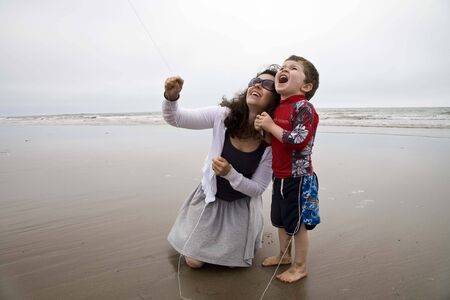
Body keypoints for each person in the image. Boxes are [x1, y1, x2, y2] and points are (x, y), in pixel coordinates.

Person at [163, 66, 280, 268]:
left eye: (267, 84)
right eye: (255, 80)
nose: (258, 85)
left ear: (276, 99)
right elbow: (176, 118)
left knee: (233, 262)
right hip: (210, 199)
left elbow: (258, 189)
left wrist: (230, 174)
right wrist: (171, 97)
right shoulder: (223, 115)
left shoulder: (271, 141)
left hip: (239, 207)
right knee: (193, 262)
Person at [254, 55, 320, 283]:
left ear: (306, 86)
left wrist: (270, 126)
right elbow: (275, 142)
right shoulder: (278, 108)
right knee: (281, 219)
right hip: (279, 175)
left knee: (298, 223)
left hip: (298, 176)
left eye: (292, 68)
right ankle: (284, 256)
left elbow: (299, 140)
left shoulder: (304, 107)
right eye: (283, 67)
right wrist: (264, 130)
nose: (284, 69)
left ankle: (300, 266)